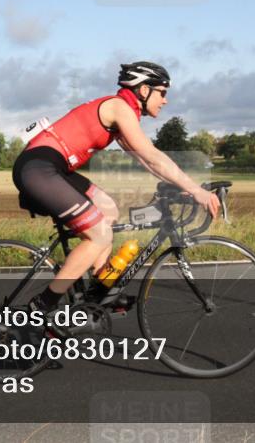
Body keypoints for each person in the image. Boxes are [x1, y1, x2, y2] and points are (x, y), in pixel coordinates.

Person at [12, 61, 221, 312]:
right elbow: (151, 154)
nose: (165, 101)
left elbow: (145, 160)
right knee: (99, 235)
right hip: (39, 168)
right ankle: (43, 304)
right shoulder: (120, 107)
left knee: (108, 209)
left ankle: (98, 292)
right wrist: (197, 190)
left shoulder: (122, 111)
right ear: (144, 90)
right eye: (163, 93)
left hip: (53, 168)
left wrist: (182, 186)